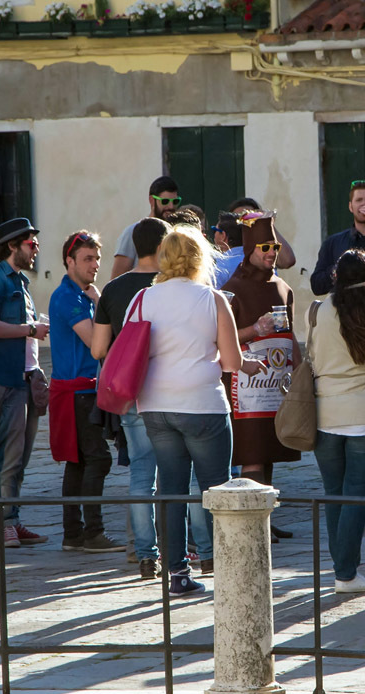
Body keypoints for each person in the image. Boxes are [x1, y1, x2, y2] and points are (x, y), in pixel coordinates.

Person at [134, 225, 251, 596]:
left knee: (171, 488)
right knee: (216, 489)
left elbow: (131, 351)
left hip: (156, 404)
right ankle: (226, 567)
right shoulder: (212, 299)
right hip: (202, 404)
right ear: (200, 258)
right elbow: (232, 360)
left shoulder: (142, 298)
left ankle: (177, 574)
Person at [309, 250, 365, 594]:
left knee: (334, 493)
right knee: (356, 496)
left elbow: (313, 358)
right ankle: (346, 574)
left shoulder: (318, 311)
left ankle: (341, 569)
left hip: (325, 412)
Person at [91, 217, 171, 580]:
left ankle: (145, 555)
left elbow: (98, 349)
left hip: (132, 393)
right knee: (181, 473)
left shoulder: (114, 288)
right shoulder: (172, 286)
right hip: (170, 389)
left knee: (142, 473)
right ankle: (190, 549)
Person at [221, 212, 301, 541]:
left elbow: (291, 333)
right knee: (251, 452)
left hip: (275, 383)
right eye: (264, 246)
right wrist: (255, 330)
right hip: (246, 385)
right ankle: (251, 527)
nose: (271, 252)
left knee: (269, 450)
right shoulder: (232, 289)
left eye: (274, 246)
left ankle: (264, 520)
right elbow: (220, 338)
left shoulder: (283, 287)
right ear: (251, 249)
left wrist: (299, 364)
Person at [48, 230, 123, 554]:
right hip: (76, 391)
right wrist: (99, 302)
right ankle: (91, 533)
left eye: (97, 258)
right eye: (87, 259)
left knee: (77, 462)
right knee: (97, 459)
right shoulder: (69, 297)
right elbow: (97, 344)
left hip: (81, 389)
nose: (94, 265)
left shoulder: (80, 294)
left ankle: (73, 534)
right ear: (69, 261)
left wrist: (95, 299)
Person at [0, 218, 50, 549]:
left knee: (19, 457)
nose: (36, 250)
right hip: (4, 380)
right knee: (7, 456)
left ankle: (13, 519)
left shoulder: (21, 282)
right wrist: (29, 330)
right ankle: (4, 522)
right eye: (31, 244)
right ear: (12, 246)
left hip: (25, 379)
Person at [310, 181, 365, 297]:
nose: (364, 204)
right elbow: (317, 286)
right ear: (351, 206)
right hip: (344, 311)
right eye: (359, 200)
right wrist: (339, 269)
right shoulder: (333, 242)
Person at [111, 176, 181, 278]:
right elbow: (117, 278)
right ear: (152, 200)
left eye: (175, 202)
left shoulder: (176, 234)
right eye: (165, 201)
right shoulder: (132, 232)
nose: (170, 206)